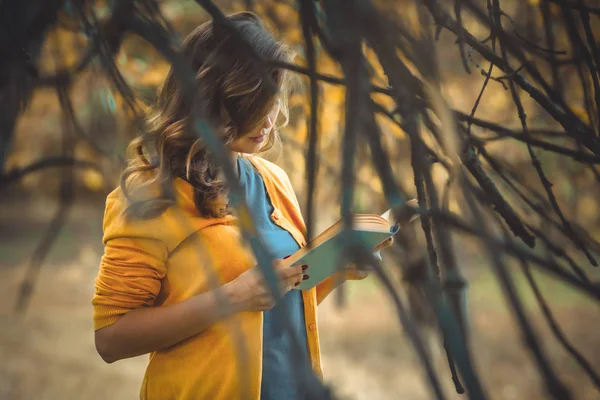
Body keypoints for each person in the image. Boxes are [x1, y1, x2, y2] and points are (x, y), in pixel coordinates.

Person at [92, 12, 391, 400]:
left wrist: (336, 268)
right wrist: (231, 298)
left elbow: (277, 300)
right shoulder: (149, 198)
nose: (268, 120)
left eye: (271, 101)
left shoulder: (272, 180)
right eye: (252, 103)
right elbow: (111, 339)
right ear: (211, 100)